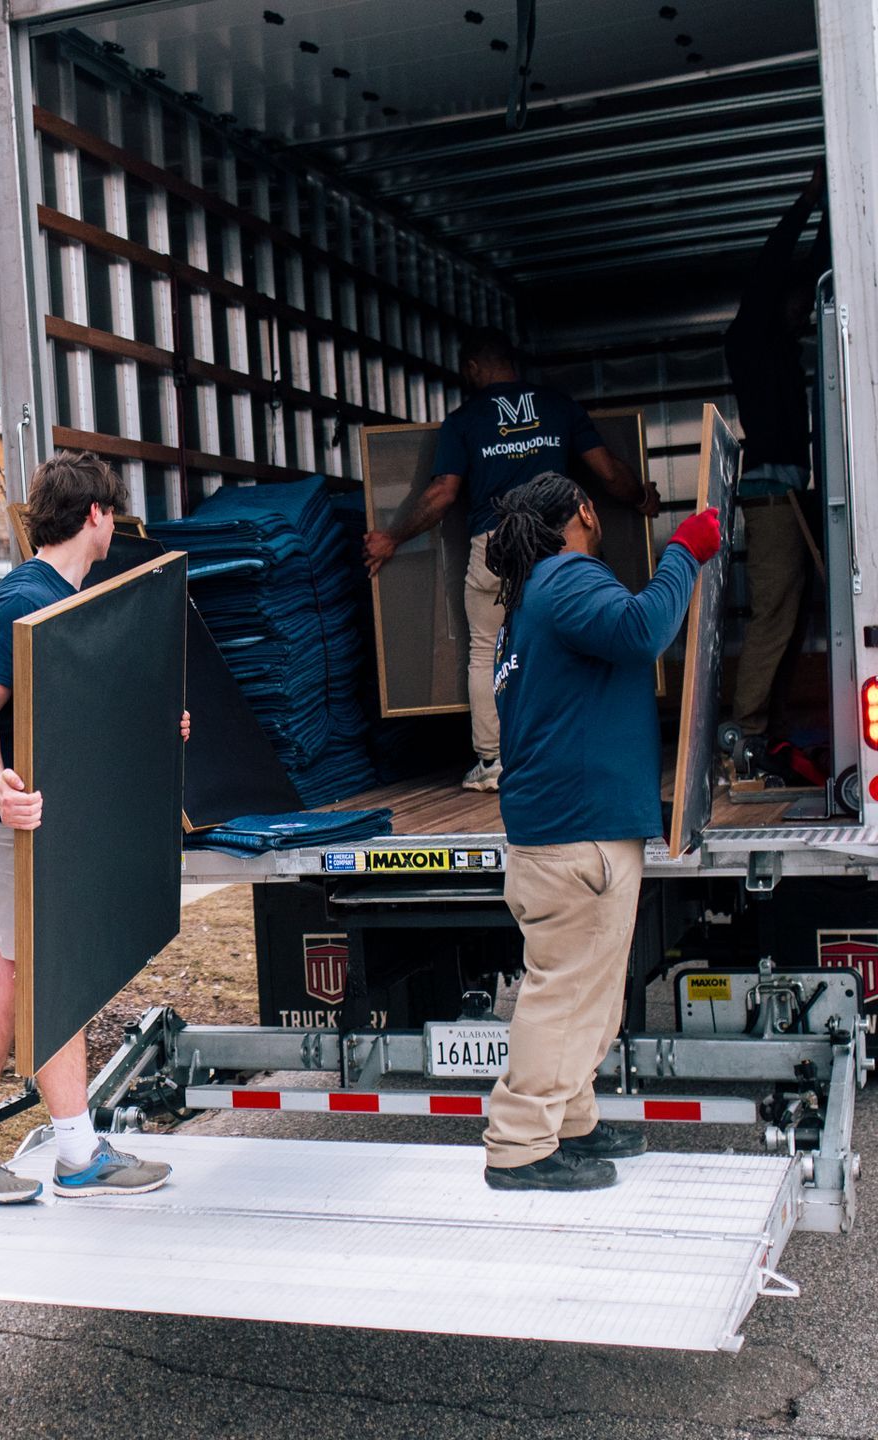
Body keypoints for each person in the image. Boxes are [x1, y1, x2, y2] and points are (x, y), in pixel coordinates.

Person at [0, 451, 187, 1204]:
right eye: (115, 515)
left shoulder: (67, 602)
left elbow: (75, 725)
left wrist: (157, 728)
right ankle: (77, 1154)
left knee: (6, 994)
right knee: (56, 982)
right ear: (98, 516)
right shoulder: (25, 599)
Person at [479, 473, 720, 1191]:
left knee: (590, 993)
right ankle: (520, 1146)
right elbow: (644, 629)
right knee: (565, 995)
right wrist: (684, 551)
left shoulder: (530, 602)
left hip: (564, 832)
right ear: (582, 511)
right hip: (578, 836)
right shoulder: (567, 578)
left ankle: (574, 1118)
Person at [363, 329, 660, 793]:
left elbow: (443, 494)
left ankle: (495, 762)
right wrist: (642, 496)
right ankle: (573, 749)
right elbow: (608, 473)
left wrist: (390, 538)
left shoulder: (464, 420)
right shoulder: (558, 405)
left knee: (486, 651)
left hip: (495, 548)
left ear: (475, 368)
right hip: (557, 546)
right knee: (571, 640)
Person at [725, 164, 830, 751]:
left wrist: (831, 211)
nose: (807, 314)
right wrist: (808, 200)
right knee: (773, 616)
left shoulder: (784, 342)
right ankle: (747, 727)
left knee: (793, 620)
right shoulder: (752, 337)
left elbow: (810, 270)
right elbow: (774, 265)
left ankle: (773, 723)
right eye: (801, 306)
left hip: (792, 492)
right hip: (770, 496)